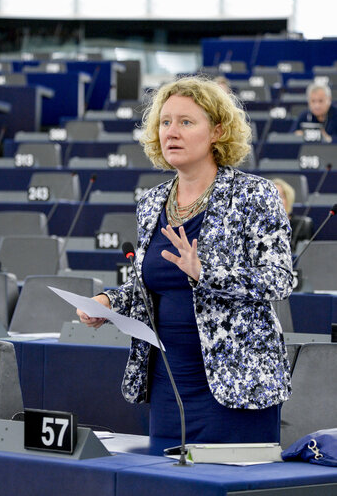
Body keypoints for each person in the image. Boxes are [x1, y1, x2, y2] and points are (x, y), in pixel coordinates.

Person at [77, 76, 293, 447]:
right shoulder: (152, 202)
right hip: (169, 382)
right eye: (165, 122)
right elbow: (149, 285)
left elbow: (280, 279)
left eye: (186, 122)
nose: (171, 131)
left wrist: (205, 272)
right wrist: (110, 302)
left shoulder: (254, 194)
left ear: (218, 131)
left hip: (235, 384)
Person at [272, 178, 313, 251]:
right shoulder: (256, 226)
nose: (275, 201)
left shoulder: (302, 225)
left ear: (288, 199)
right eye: (271, 197)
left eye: (280, 196)